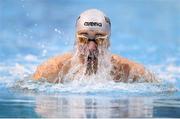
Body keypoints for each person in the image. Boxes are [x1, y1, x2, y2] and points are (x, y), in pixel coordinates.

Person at [33, 9, 156, 83]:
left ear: (109, 41)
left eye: (100, 39)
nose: (91, 48)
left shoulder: (132, 72)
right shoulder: (51, 70)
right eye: (83, 38)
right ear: (75, 39)